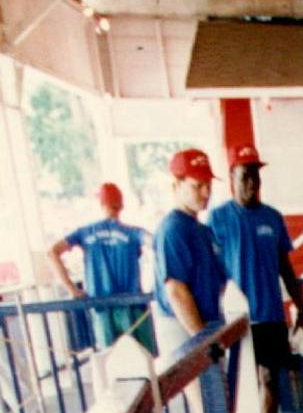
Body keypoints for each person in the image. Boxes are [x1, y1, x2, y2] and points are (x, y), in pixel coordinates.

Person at [208, 142, 303, 413]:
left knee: (269, 378)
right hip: (235, 317)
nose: (252, 182)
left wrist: (301, 308)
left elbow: (286, 267)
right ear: (232, 177)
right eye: (245, 176)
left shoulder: (272, 218)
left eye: (256, 176)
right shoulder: (218, 218)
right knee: (237, 384)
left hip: (269, 313)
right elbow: (211, 268)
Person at [49, 182, 150, 347]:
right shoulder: (134, 233)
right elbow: (157, 244)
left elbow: (52, 252)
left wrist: (71, 289)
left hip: (101, 308)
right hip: (133, 306)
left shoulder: (85, 233)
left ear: (101, 204)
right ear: (122, 204)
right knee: (142, 360)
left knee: (109, 363)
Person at [153, 146, 227, 355]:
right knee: (204, 388)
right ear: (176, 185)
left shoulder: (202, 230)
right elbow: (176, 290)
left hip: (208, 321)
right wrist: (202, 339)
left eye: (209, 185)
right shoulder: (173, 228)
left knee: (219, 387)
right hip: (185, 328)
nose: (206, 192)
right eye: (198, 186)